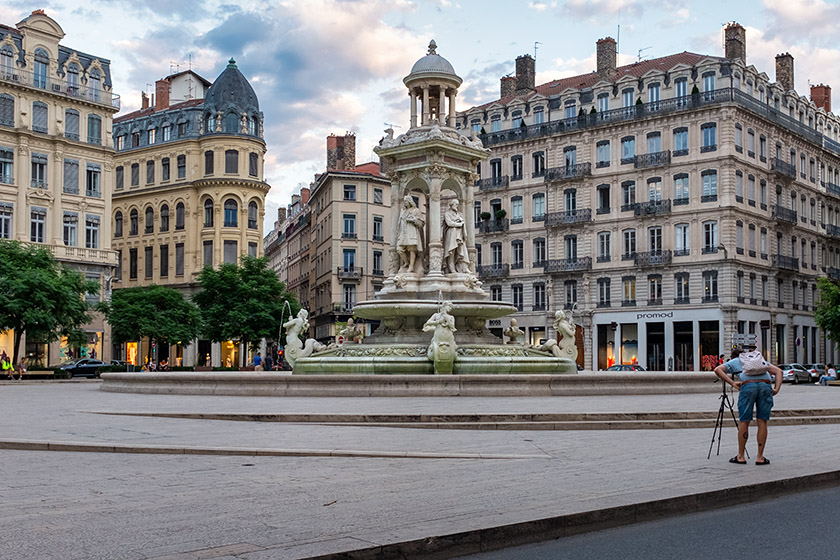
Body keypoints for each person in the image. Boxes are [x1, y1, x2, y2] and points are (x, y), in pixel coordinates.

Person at [714, 345, 783, 465]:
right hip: (765, 385)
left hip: (748, 385)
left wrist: (733, 383)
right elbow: (779, 371)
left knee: (744, 421)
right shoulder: (757, 360)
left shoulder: (736, 360)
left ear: (733, 356)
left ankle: (741, 456)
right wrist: (776, 389)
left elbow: (717, 370)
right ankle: (760, 457)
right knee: (762, 421)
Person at [396, 195, 425, 274]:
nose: (405, 203)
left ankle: (412, 266)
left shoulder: (416, 211)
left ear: (410, 202)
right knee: (399, 249)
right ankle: (407, 262)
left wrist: (413, 220)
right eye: (404, 202)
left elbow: (422, 223)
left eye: (406, 201)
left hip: (412, 232)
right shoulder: (403, 211)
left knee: (412, 249)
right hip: (403, 233)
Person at [443, 199, 470, 273]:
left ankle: (463, 267)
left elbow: (463, 222)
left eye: (458, 204)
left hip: (459, 234)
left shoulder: (460, 214)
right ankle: (451, 268)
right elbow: (449, 223)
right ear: (451, 205)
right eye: (456, 204)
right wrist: (459, 223)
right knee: (451, 251)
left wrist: (461, 222)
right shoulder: (447, 214)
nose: (457, 206)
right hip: (451, 233)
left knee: (461, 250)